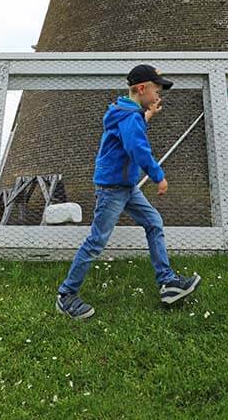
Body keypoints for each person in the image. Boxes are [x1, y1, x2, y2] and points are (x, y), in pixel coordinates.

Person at [56, 63, 201, 319]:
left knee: (154, 222)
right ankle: (66, 295)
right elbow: (137, 148)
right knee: (96, 241)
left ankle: (167, 283)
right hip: (113, 189)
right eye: (157, 90)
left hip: (126, 187)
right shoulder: (129, 117)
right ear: (142, 88)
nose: (159, 96)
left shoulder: (127, 112)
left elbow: (131, 132)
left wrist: (148, 116)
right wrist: (159, 176)